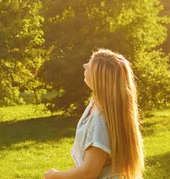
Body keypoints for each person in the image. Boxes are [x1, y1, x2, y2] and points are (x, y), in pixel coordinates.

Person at [44, 49, 145, 179]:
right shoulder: (96, 104)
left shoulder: (100, 121)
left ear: (99, 79)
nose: (84, 66)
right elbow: (84, 164)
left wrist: (55, 176)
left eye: (89, 66)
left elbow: (88, 173)